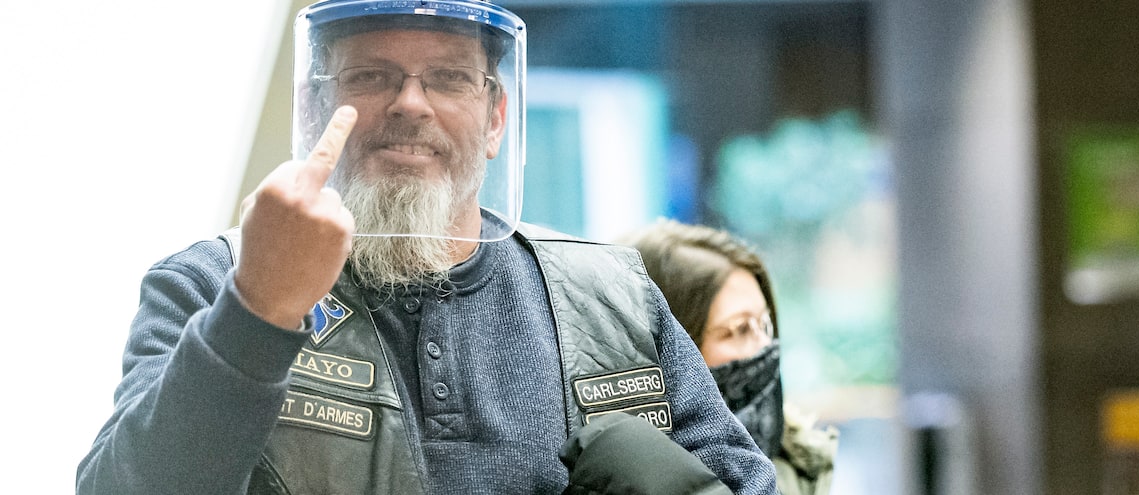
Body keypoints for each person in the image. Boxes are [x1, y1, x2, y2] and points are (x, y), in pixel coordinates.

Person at [75, 1, 775, 494]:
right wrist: (258, 310)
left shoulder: (614, 294)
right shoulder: (210, 283)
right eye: (370, 75)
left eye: (448, 77)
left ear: (495, 117)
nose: (410, 103)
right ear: (316, 107)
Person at [619, 219, 839, 495]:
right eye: (740, 329)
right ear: (672, 344)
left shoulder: (800, 467)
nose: (765, 345)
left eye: (765, 324)